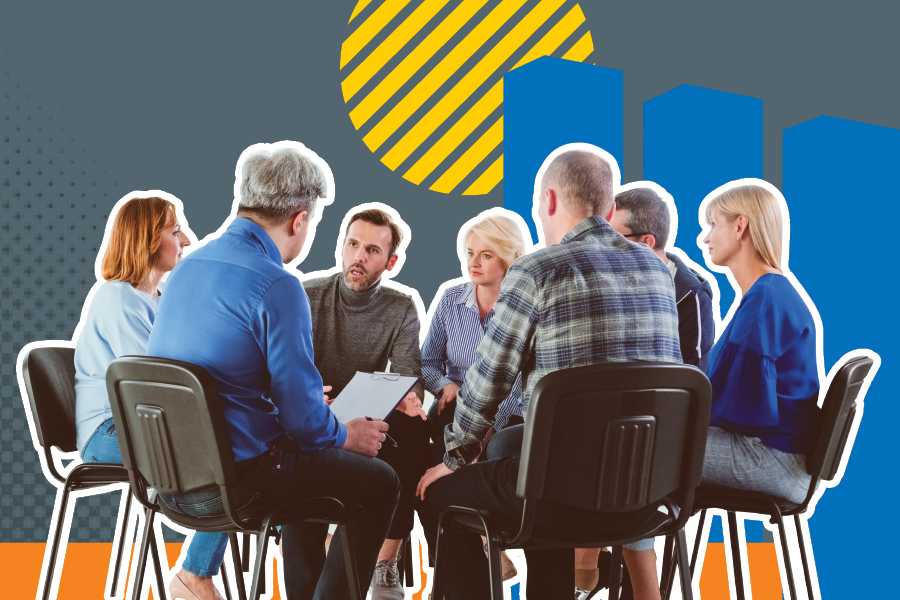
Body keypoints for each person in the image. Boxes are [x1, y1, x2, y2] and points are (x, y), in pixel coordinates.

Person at [415, 147, 682, 600]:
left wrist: (452, 461)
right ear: (610, 209)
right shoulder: (658, 270)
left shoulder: (536, 270)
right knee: (524, 448)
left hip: (562, 491)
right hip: (646, 492)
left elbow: (486, 383)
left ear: (549, 201)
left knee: (442, 493)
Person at [146, 144, 399, 600]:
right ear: (300, 220)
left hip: (169, 483)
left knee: (304, 456)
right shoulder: (277, 283)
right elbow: (306, 423)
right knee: (378, 481)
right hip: (237, 485)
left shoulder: (185, 270)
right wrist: (347, 435)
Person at [300, 206, 429, 600]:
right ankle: (322, 544)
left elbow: (411, 375)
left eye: (372, 250)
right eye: (353, 245)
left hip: (369, 411)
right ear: (341, 247)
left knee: (412, 428)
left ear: (390, 261)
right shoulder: (307, 294)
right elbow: (287, 370)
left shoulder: (401, 305)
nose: (359, 256)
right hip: (314, 412)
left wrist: (410, 399)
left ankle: (385, 560)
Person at [420, 210, 529, 583]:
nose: (474, 263)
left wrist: (487, 430)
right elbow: (428, 363)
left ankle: (478, 552)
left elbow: (521, 382)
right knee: (435, 447)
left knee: (485, 455)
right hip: (455, 412)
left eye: (486, 255)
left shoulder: (525, 307)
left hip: (509, 418)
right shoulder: (451, 299)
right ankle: (479, 549)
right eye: (470, 253)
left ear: (510, 258)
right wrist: (443, 386)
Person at [699, 182, 818, 503]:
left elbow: (733, 405)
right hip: (782, 457)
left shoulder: (765, 301)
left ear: (740, 226)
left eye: (712, 224)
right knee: (645, 444)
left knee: (635, 448)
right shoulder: (769, 292)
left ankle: (609, 554)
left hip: (771, 460)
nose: (705, 238)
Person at [75, 195, 192, 464]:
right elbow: (154, 382)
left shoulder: (159, 298)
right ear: (146, 241)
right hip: (107, 430)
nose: (186, 240)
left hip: (137, 422)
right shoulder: (118, 297)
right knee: (207, 450)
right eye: (175, 232)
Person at [611, 186, 715, 371]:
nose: (603, 244)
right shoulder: (608, 282)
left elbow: (695, 373)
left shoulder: (691, 295)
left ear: (646, 242)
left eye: (614, 238)